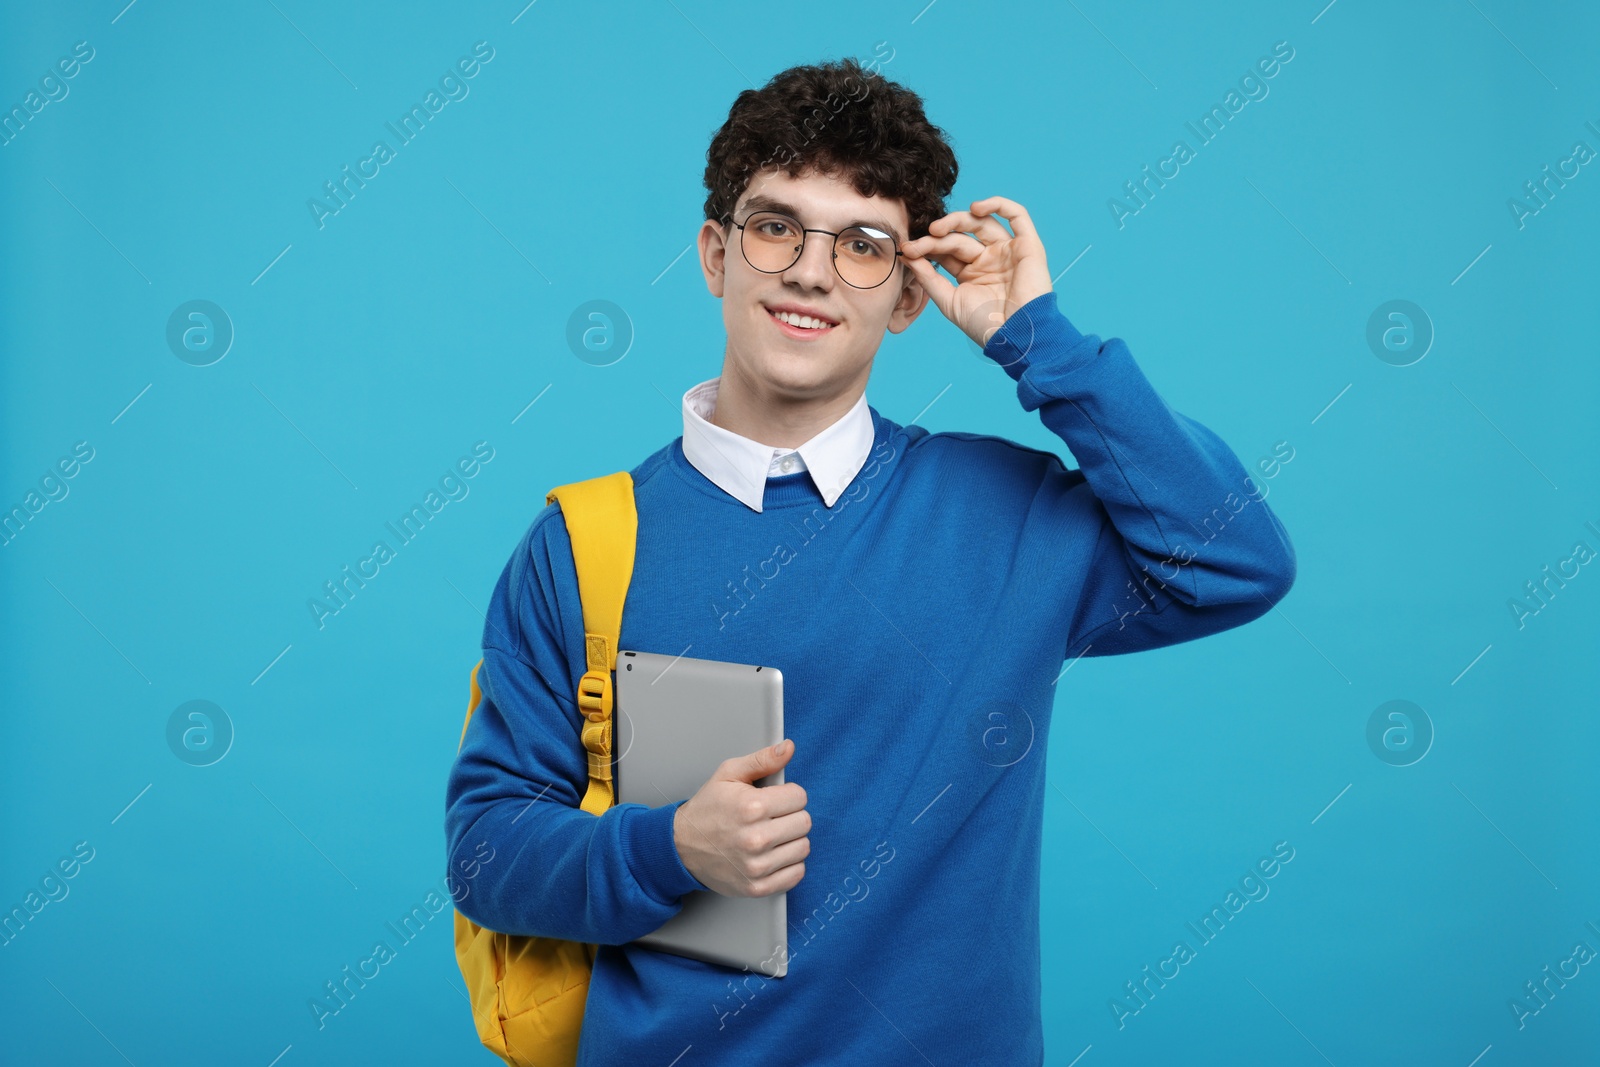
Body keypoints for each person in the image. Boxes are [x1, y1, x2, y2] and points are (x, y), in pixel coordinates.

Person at [444, 55, 1296, 1064]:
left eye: (861, 245)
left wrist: (1039, 342)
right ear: (716, 254)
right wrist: (669, 845)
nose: (810, 270)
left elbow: (1234, 556)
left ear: (906, 297)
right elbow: (487, 850)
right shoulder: (583, 543)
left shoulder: (1007, 515)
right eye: (776, 227)